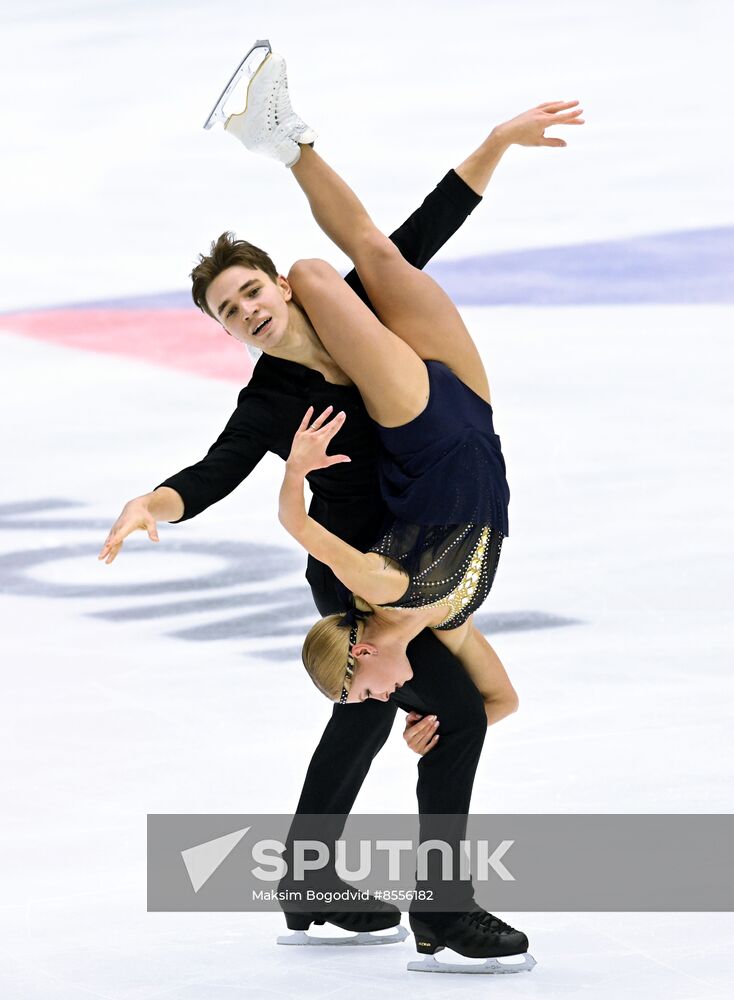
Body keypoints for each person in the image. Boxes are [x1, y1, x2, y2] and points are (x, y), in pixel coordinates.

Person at [98, 42, 581, 971]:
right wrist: (152, 501)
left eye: (249, 292)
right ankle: (443, 909)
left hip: (420, 535)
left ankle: (308, 879)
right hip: (360, 577)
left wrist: (496, 144)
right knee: (461, 716)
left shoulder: (355, 306)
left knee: (368, 713)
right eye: (229, 315)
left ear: (274, 285)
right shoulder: (270, 400)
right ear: (226, 333)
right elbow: (218, 467)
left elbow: (417, 230)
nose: (247, 313)